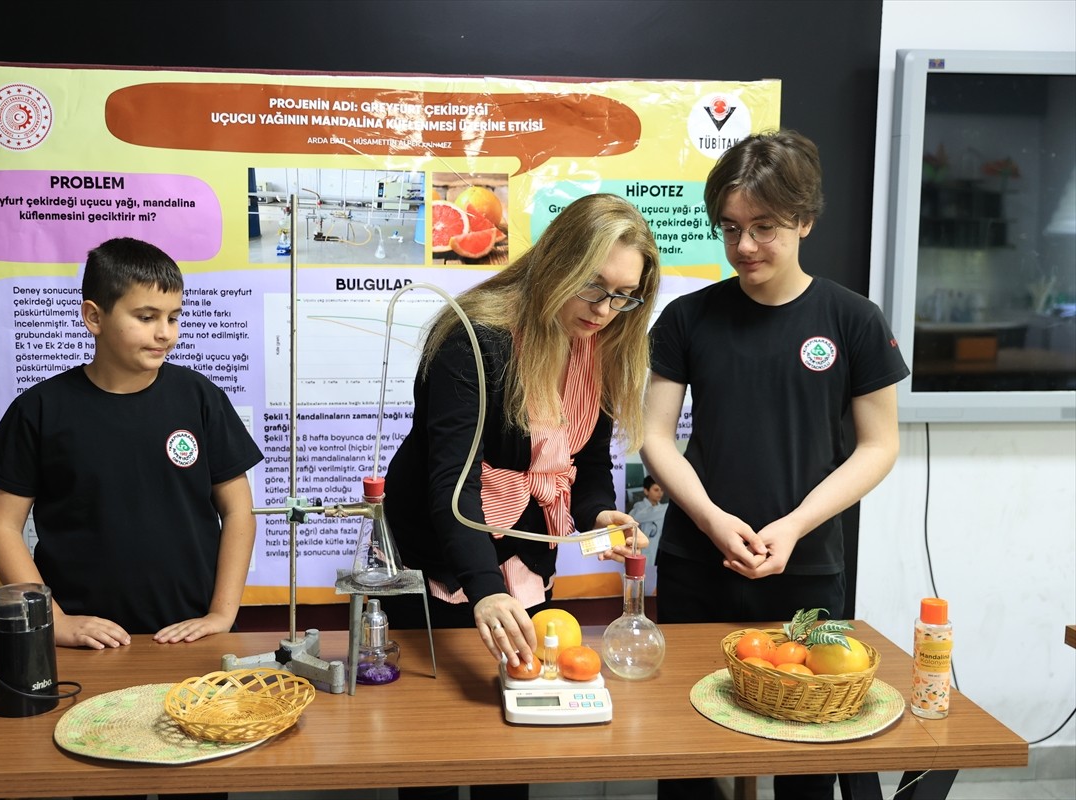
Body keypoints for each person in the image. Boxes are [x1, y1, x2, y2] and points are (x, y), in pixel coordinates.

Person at [641, 130, 909, 800]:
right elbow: (655, 436)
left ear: (806, 221)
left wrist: (793, 526)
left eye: (764, 227)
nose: (744, 247)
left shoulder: (853, 321)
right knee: (687, 752)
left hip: (808, 565)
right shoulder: (688, 318)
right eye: (729, 228)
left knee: (809, 752)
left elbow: (879, 445)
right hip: (697, 564)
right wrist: (707, 519)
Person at [381, 193, 660, 800]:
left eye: (622, 296)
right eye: (593, 287)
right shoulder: (476, 340)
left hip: (525, 549)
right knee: (437, 740)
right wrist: (483, 590)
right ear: (558, 260)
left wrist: (597, 513)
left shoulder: (599, 347)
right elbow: (450, 482)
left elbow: (584, 463)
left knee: (515, 727)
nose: (604, 309)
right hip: (444, 545)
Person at [0, 237, 263, 651]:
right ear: (94, 317)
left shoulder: (200, 397)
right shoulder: (40, 409)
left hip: (190, 634)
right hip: (85, 641)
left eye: (173, 317)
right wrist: (55, 622)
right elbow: (0, 525)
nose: (164, 333)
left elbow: (239, 510)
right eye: (146, 317)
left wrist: (221, 613)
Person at [628, 475, 668, 582]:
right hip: (641, 551)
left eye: (661, 490)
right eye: (656, 490)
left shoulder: (662, 509)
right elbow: (634, 520)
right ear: (646, 491)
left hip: (657, 550)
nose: (660, 493)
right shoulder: (638, 508)